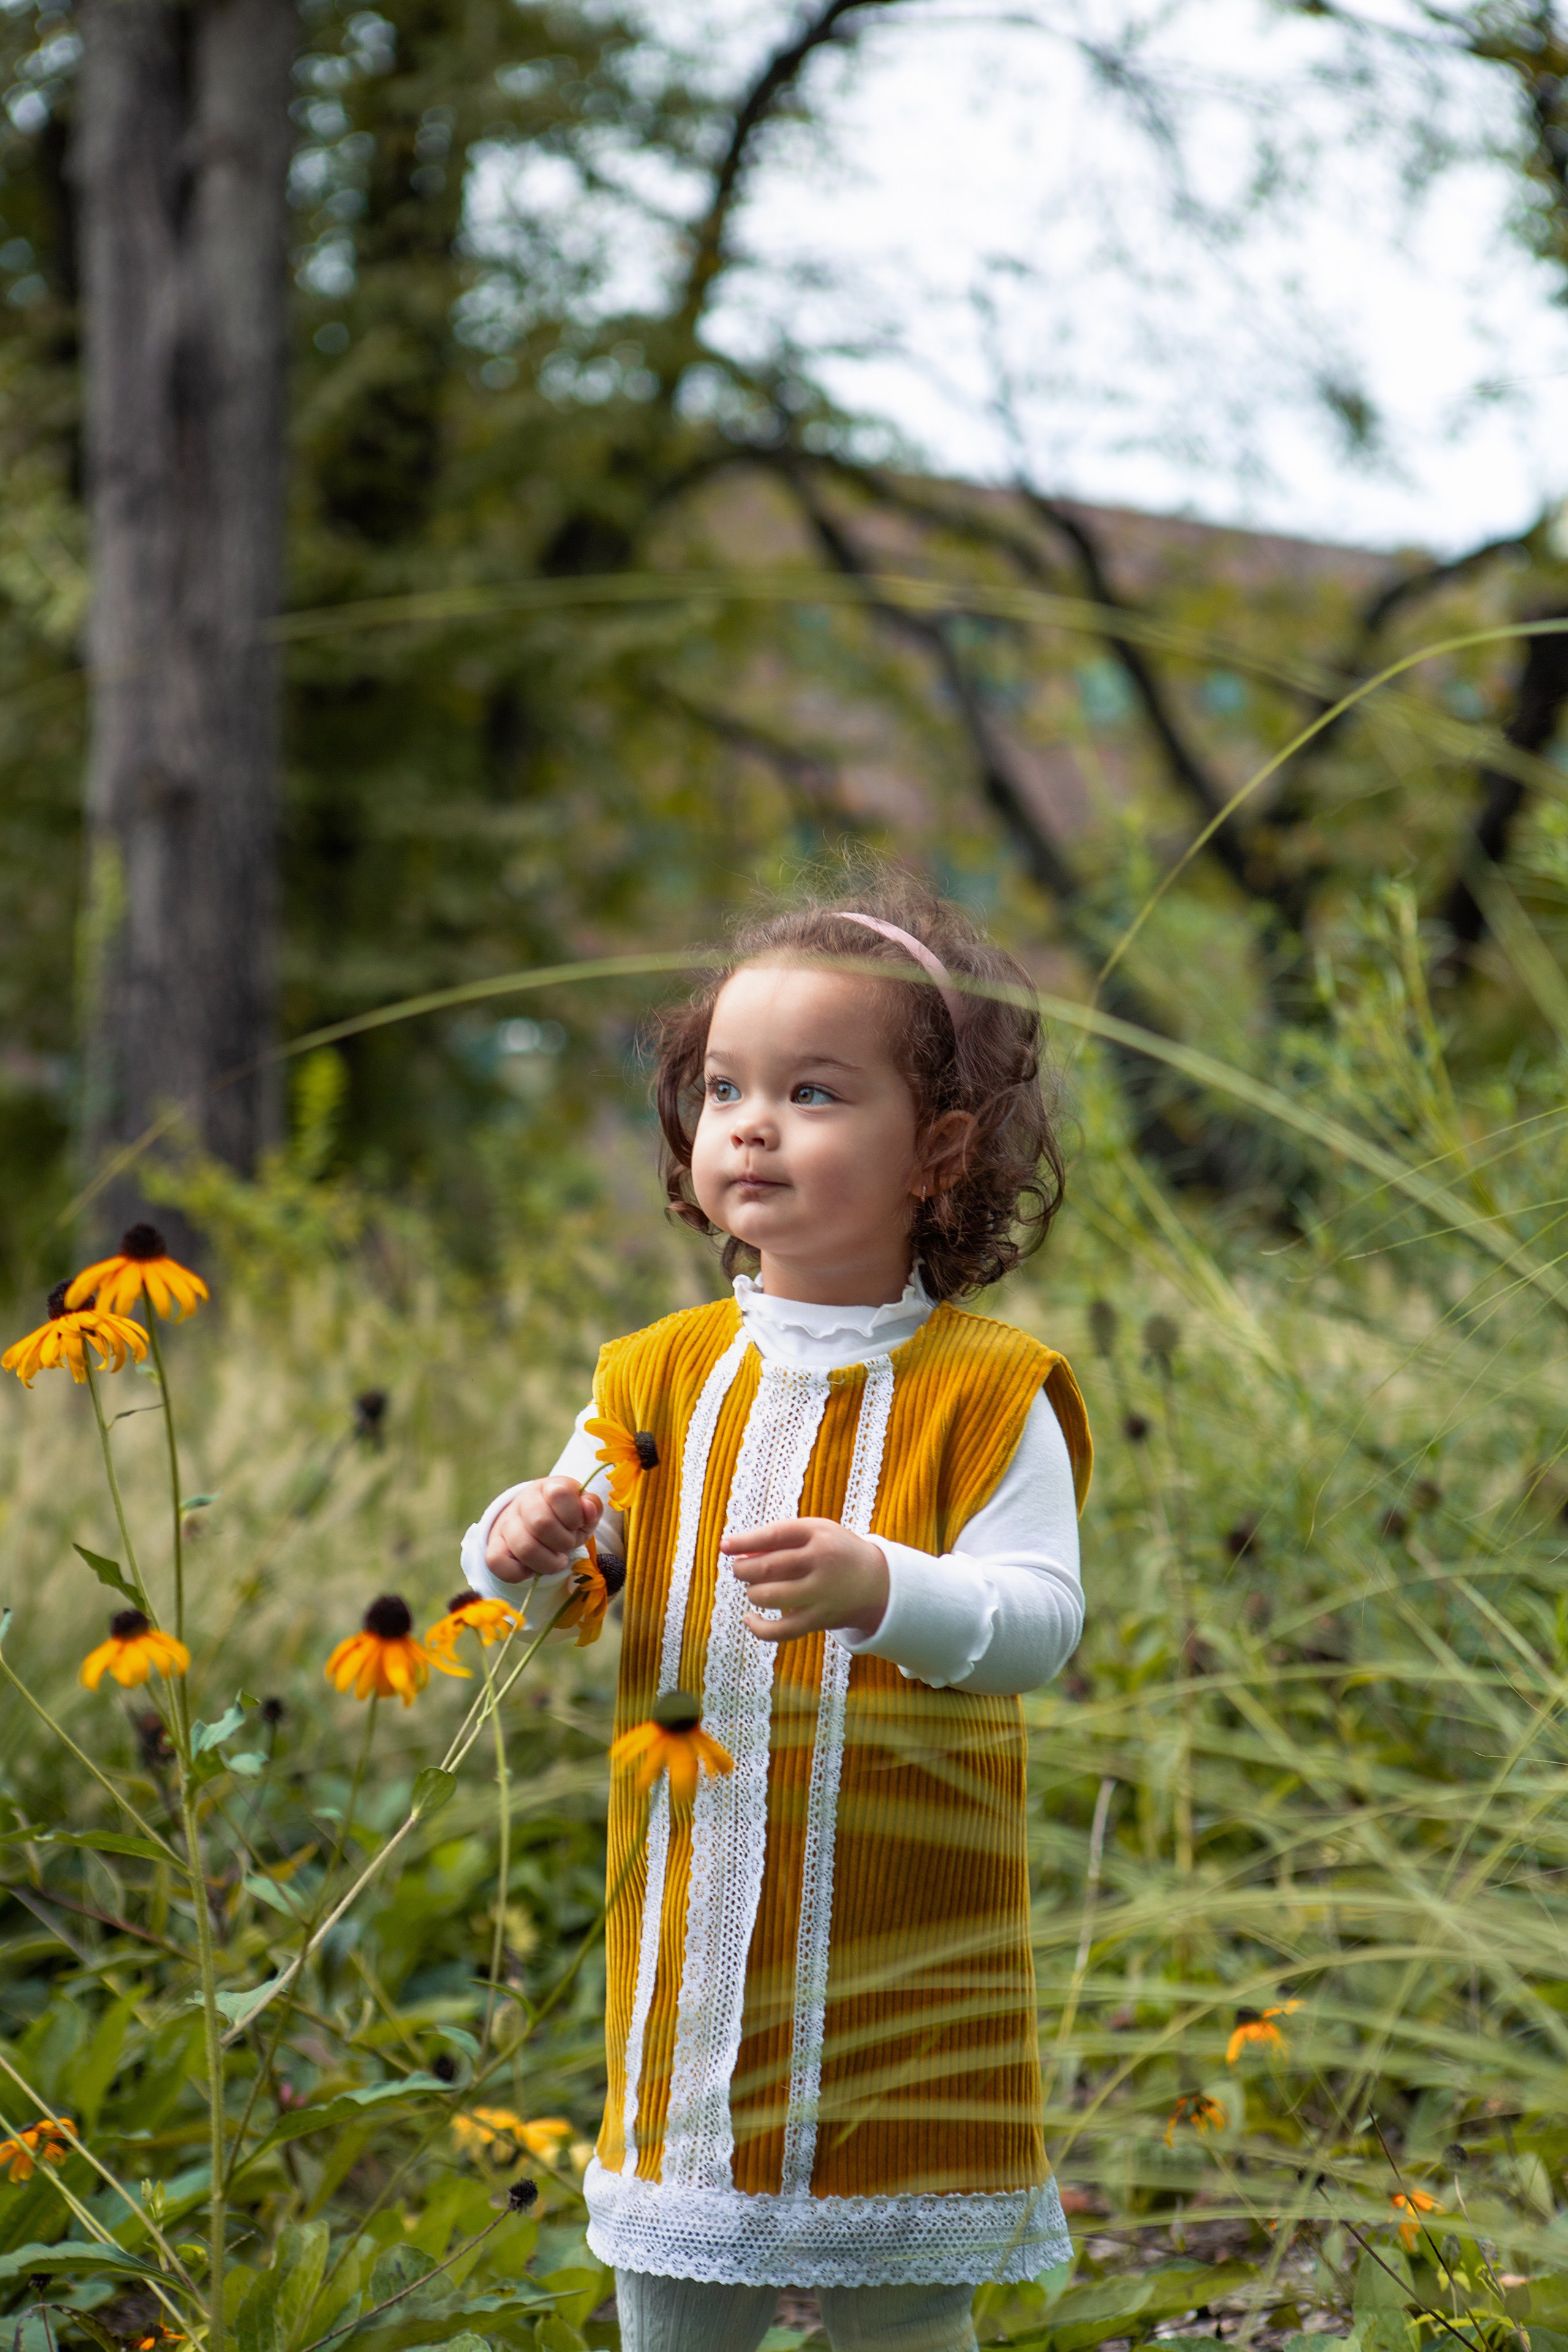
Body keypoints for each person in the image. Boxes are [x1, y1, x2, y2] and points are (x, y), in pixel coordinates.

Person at [459, 877, 1092, 2352]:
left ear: (938, 1152)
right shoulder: (655, 1376)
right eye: (723, 1089)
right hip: (689, 1933)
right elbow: (560, 1579)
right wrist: (522, 1538)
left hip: (905, 1938)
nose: (751, 1124)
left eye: (813, 1092)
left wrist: (886, 1586)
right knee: (675, 2291)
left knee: (904, 2305)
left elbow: (1039, 1620)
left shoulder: (991, 1391)